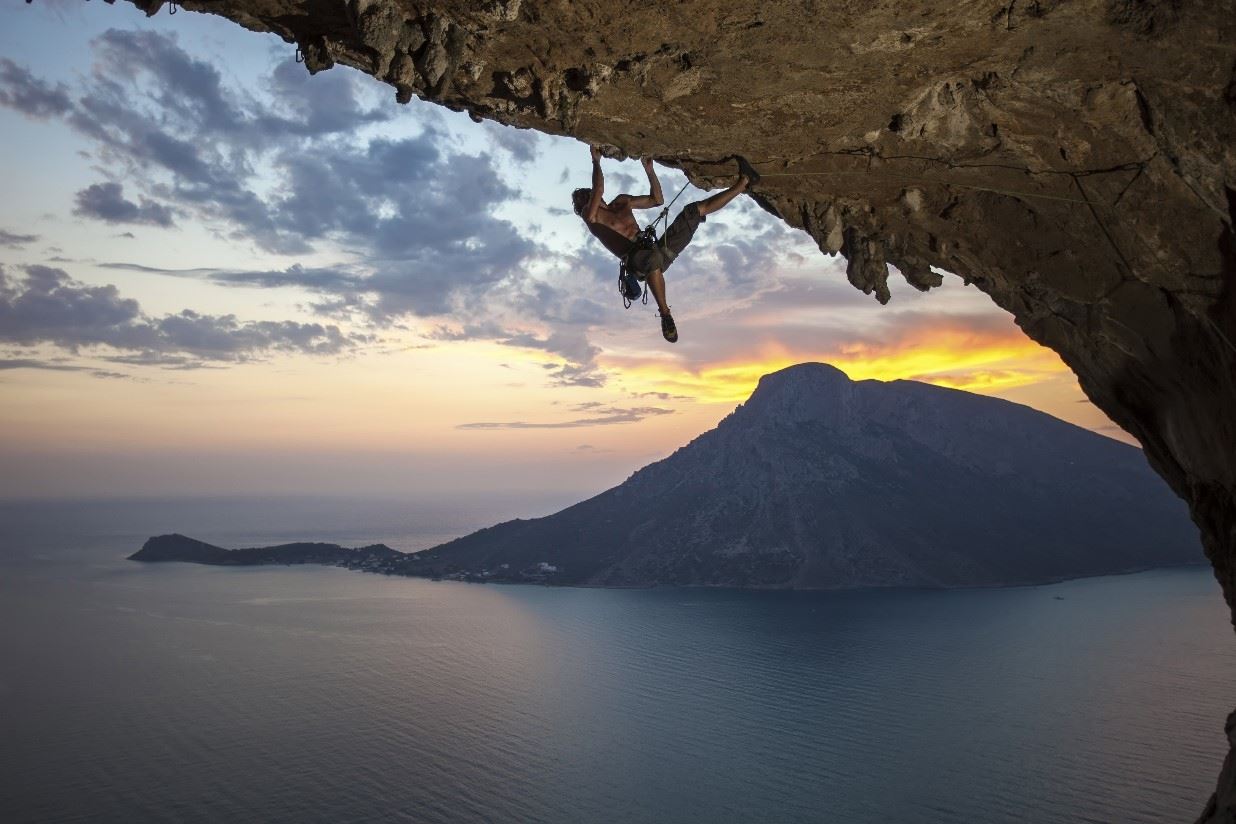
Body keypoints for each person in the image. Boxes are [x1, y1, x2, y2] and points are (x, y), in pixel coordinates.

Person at [573, 147, 759, 342]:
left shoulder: (622, 202)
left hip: (655, 250)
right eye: (581, 202)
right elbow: (599, 188)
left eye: (583, 198)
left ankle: (744, 182)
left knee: (694, 211)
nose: (585, 203)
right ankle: (665, 314)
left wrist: (649, 171)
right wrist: (596, 161)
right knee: (652, 260)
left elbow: (657, 200)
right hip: (637, 260)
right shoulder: (592, 218)